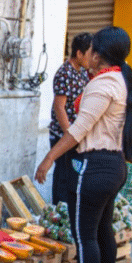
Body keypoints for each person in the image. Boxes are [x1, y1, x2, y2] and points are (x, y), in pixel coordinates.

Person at [35, 26, 132, 263]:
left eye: (93, 48)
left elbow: (79, 130)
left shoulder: (102, 84)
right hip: (114, 165)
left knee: (85, 237)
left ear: (98, 54)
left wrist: (49, 159)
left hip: (94, 167)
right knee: (103, 230)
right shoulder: (121, 79)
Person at [48, 32, 93, 205]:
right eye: (89, 53)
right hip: (63, 135)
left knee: (71, 177)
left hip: (75, 135)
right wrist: (69, 135)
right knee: (62, 177)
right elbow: (59, 107)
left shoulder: (81, 73)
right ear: (79, 53)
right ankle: (59, 212)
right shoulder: (64, 73)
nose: (91, 58)